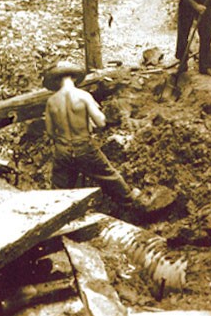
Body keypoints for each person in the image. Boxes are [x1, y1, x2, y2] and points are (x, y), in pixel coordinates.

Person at [43, 61, 141, 207]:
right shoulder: (83, 96)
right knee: (108, 175)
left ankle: (57, 215)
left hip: (62, 150)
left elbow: (50, 131)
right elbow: (101, 122)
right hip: (83, 146)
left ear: (57, 81)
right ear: (74, 78)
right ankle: (128, 199)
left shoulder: (51, 101)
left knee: (59, 190)